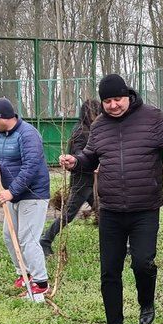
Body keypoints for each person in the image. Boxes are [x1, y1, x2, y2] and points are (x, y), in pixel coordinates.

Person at [58, 74, 163, 324]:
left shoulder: (151, 117)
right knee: (109, 271)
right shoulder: (100, 126)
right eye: (107, 101)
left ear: (128, 95)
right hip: (111, 210)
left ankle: (146, 301)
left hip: (145, 208)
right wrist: (74, 161)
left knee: (143, 262)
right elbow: (89, 157)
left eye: (117, 99)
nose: (113, 105)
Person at [0, 98, 50, 302]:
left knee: (27, 238)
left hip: (33, 194)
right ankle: (25, 274)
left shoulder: (28, 134)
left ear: (3, 117)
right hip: (12, 195)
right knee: (8, 235)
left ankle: (41, 283)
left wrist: (11, 191)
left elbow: (30, 167)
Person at [40, 99, 102, 256]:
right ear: (91, 113)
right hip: (82, 182)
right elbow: (78, 154)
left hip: (91, 181)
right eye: (98, 112)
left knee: (104, 214)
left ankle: (120, 245)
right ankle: (45, 240)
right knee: (68, 215)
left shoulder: (89, 129)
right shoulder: (81, 131)